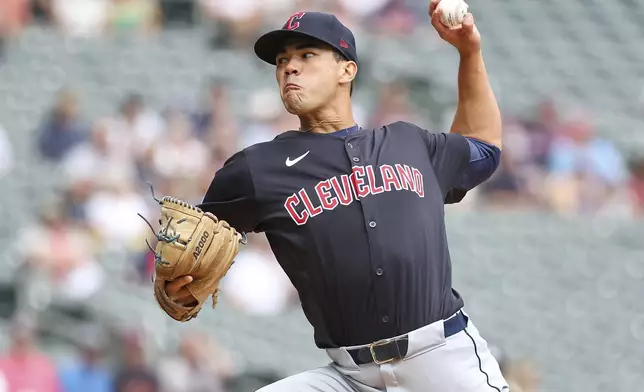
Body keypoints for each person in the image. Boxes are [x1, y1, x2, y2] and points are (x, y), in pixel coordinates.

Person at [163, 1, 507, 391]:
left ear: (347, 69)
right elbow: (188, 255)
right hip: (349, 376)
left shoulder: (409, 143)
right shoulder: (255, 169)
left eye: (306, 55)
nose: (289, 67)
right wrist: (180, 290)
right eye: (281, 60)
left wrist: (469, 51)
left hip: (441, 360)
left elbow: (483, 147)